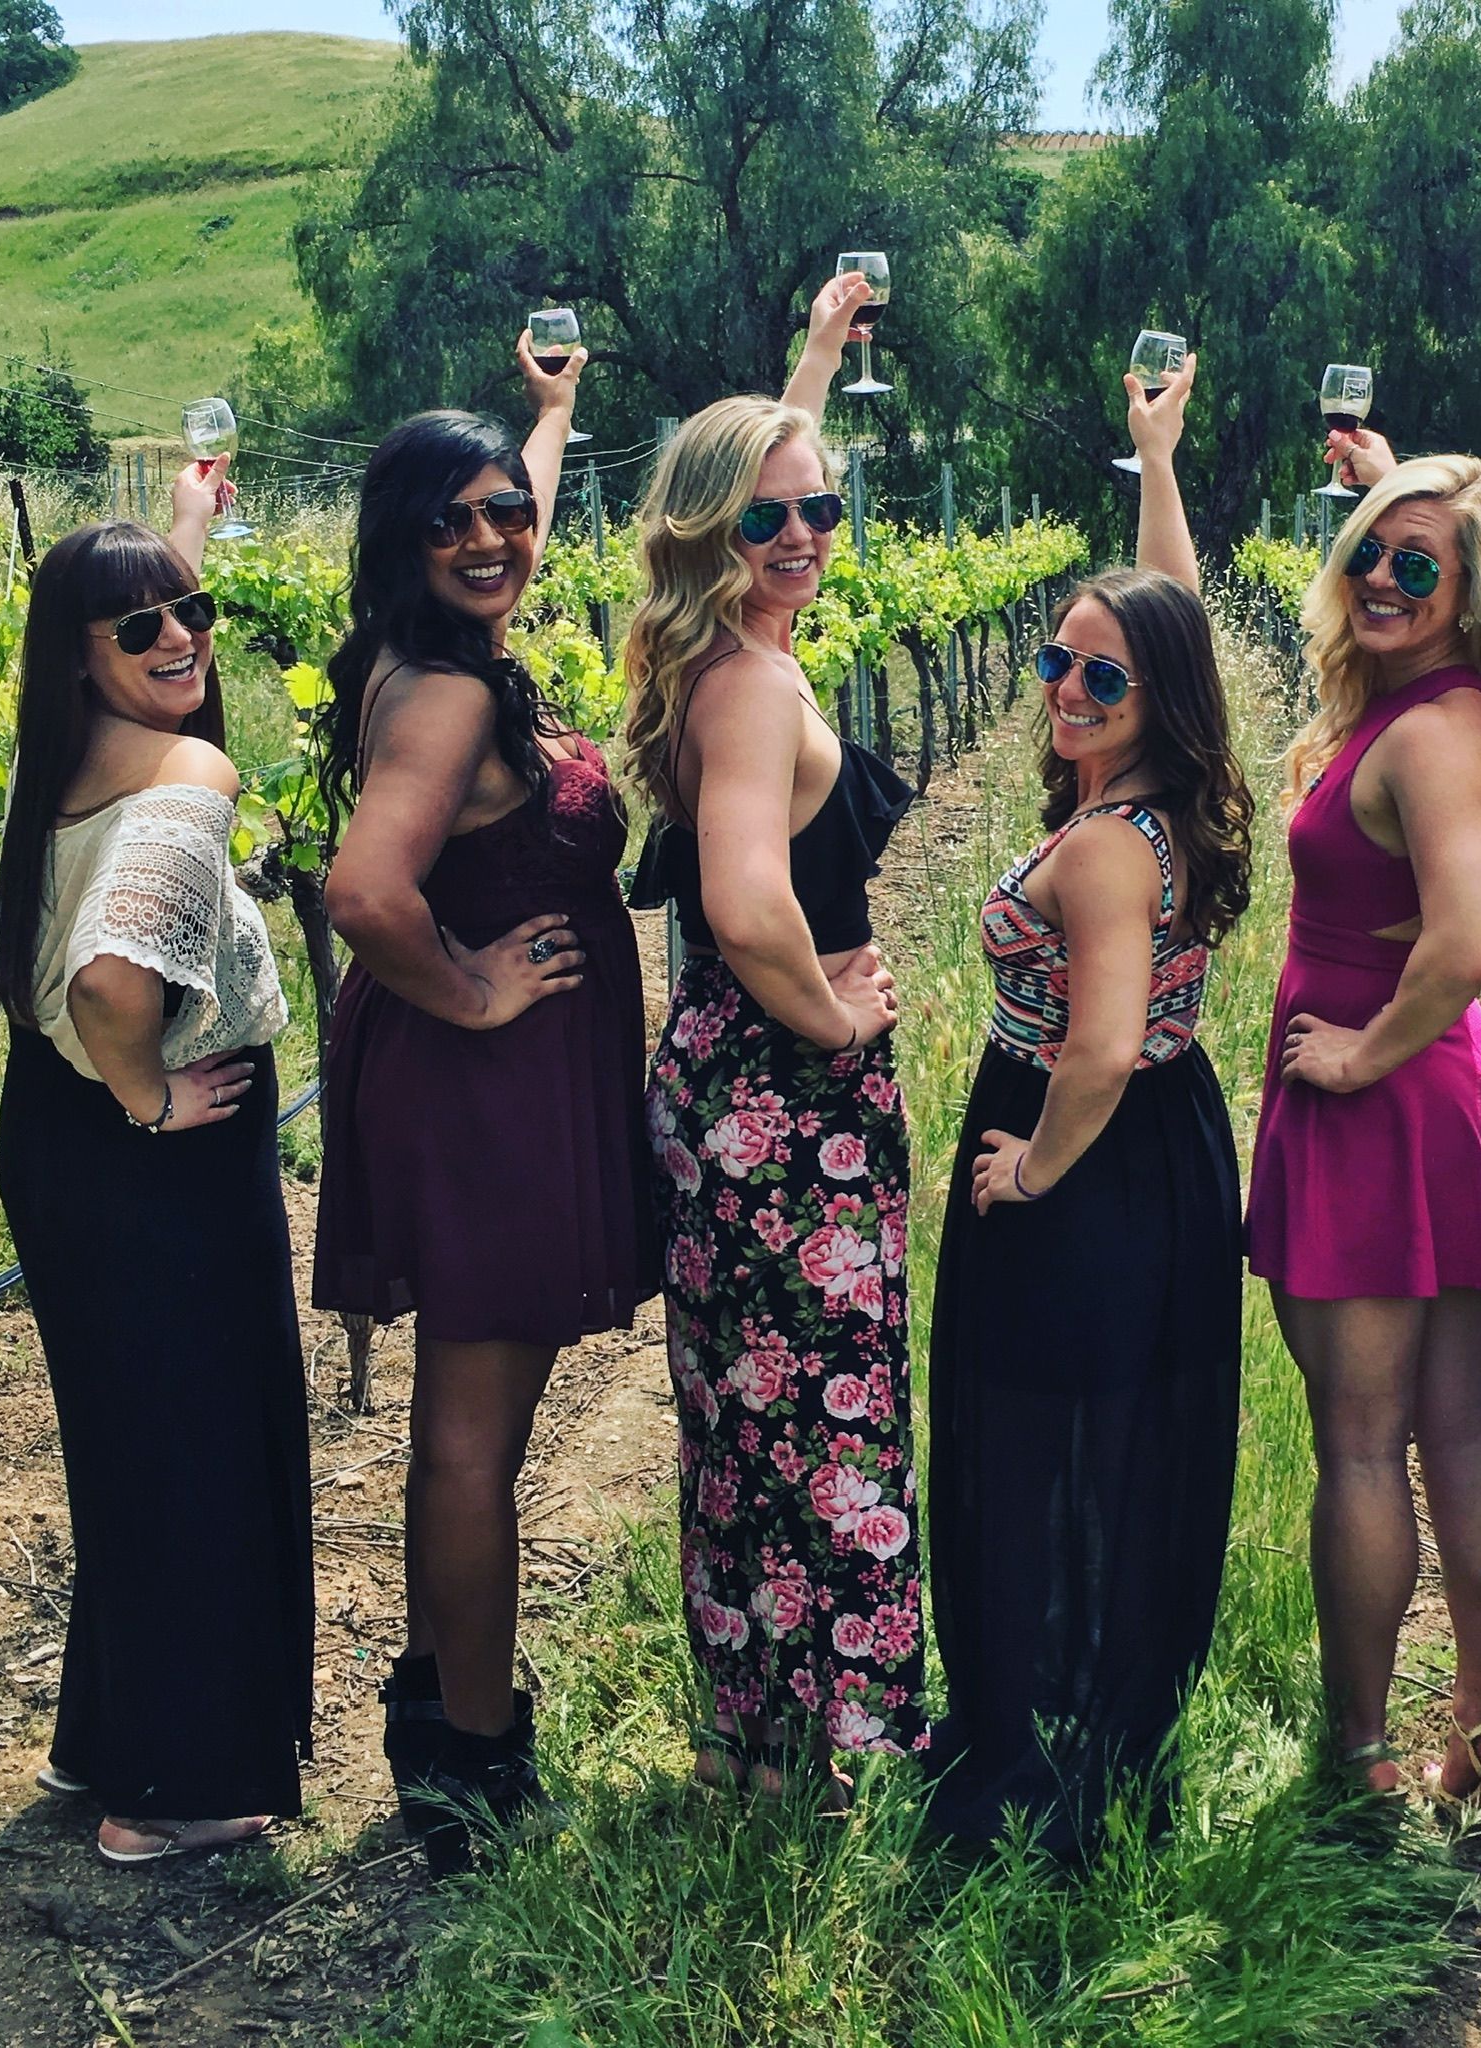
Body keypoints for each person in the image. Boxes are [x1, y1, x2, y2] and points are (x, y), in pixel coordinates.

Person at [310, 337, 657, 1874]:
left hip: (469, 1084)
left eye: (509, 512)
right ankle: (473, 1761)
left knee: (467, 1429)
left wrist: (552, 423)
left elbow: (502, 527)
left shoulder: (420, 655)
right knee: (472, 1444)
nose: (492, 539)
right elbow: (363, 889)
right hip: (482, 1087)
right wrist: (477, 991)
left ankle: (443, 1717)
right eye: (453, 520)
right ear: (403, 539)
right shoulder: (446, 694)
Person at [921, 358, 1253, 1858]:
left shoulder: (1113, 845)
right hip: (1166, 1153)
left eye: (1098, 678)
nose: (1064, 689)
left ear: (1153, 700)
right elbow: (1162, 613)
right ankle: (1092, 1690)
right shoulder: (1166, 795)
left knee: (1023, 1422)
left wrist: (1033, 1172)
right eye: (1058, 661)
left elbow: (1102, 1048)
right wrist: (1155, 460)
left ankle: (1026, 1725)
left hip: (1091, 1146)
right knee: (1114, 1432)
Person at [622, 273, 923, 1804]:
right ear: (705, 536)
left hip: (729, 1097)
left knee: (749, 1417)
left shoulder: (710, 656)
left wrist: (811, 349)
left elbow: (769, 454)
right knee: (828, 1410)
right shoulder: (749, 684)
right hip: (775, 1105)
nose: (801, 538)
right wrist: (834, 1020)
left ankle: (761, 1737)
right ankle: (851, 1748)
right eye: (765, 522)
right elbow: (747, 904)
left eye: (819, 513)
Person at [0, 466, 315, 1866]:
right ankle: (170, 1793)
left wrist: (171, 536)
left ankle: (104, 1741)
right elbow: (121, 986)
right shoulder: (186, 773)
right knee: (198, 1452)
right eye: (147, 630)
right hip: (154, 1154)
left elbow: (122, 627)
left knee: (130, 1447)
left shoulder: (66, 756)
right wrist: (147, 1093)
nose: (184, 638)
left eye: (196, 612)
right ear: (84, 656)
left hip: (58, 1144)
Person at [1240, 431, 1481, 1856]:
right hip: (1441, 1092)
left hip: (1383, 1093)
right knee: (1463, 1421)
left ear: (1469, 587)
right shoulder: (1456, 702)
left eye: (1415, 561)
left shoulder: (1429, 729)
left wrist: (1363, 1052)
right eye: (1366, 546)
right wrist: (1404, 480)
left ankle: (1362, 1757)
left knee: (1364, 1446)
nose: (1379, 573)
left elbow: (1471, 933)